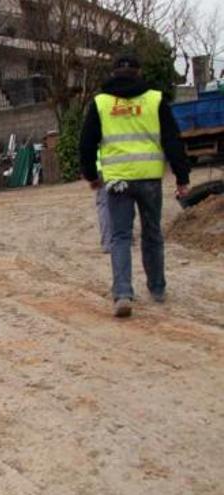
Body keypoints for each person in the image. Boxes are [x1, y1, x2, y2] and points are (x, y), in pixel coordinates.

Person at [79, 51, 191, 317]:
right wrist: (182, 177)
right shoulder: (155, 100)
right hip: (149, 178)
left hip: (117, 180)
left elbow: (86, 143)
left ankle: (122, 293)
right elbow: (172, 140)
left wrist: (91, 176)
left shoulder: (101, 103)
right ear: (139, 73)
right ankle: (157, 288)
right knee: (152, 233)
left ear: (113, 73)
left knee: (120, 236)